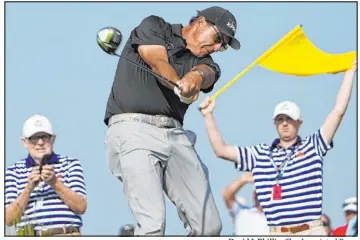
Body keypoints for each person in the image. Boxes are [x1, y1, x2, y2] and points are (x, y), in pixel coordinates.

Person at [104, 6, 241, 236]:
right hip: (133, 130)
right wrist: (178, 82)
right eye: (218, 38)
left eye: (223, 45)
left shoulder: (209, 63)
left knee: (210, 226)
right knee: (153, 224)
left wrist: (193, 80)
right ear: (200, 23)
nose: (218, 47)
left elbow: (205, 75)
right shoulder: (156, 26)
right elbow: (157, 60)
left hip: (175, 137)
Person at [199, 59, 357, 235]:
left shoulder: (313, 146)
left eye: (289, 119)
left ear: (299, 122)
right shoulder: (260, 154)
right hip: (277, 232)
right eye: (280, 119)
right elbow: (221, 150)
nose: (285, 124)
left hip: (310, 231)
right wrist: (208, 116)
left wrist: (350, 73)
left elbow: (338, 111)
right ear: (275, 123)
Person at [5, 114, 87, 236]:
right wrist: (28, 188)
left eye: (44, 137)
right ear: (24, 142)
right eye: (34, 138)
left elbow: (81, 207)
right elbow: (8, 219)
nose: (40, 142)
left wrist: (55, 182)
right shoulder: (13, 171)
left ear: (53, 139)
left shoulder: (71, 164)